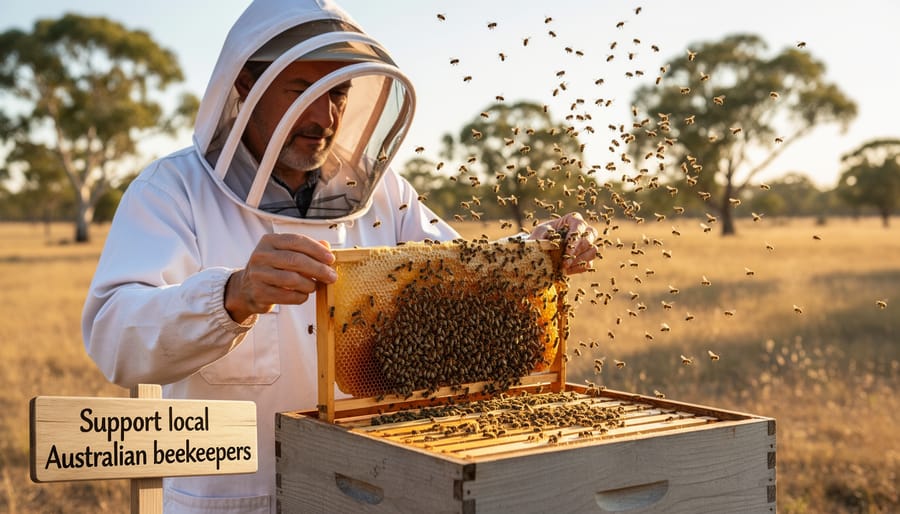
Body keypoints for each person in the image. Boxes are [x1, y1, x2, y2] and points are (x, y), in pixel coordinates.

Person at [82, 0, 598, 512]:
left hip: (372, 491)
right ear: (245, 86)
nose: (324, 115)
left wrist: (532, 254)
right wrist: (231, 296)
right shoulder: (172, 191)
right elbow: (114, 337)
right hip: (238, 499)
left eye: (338, 92)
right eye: (302, 90)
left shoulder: (383, 193)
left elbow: (455, 275)